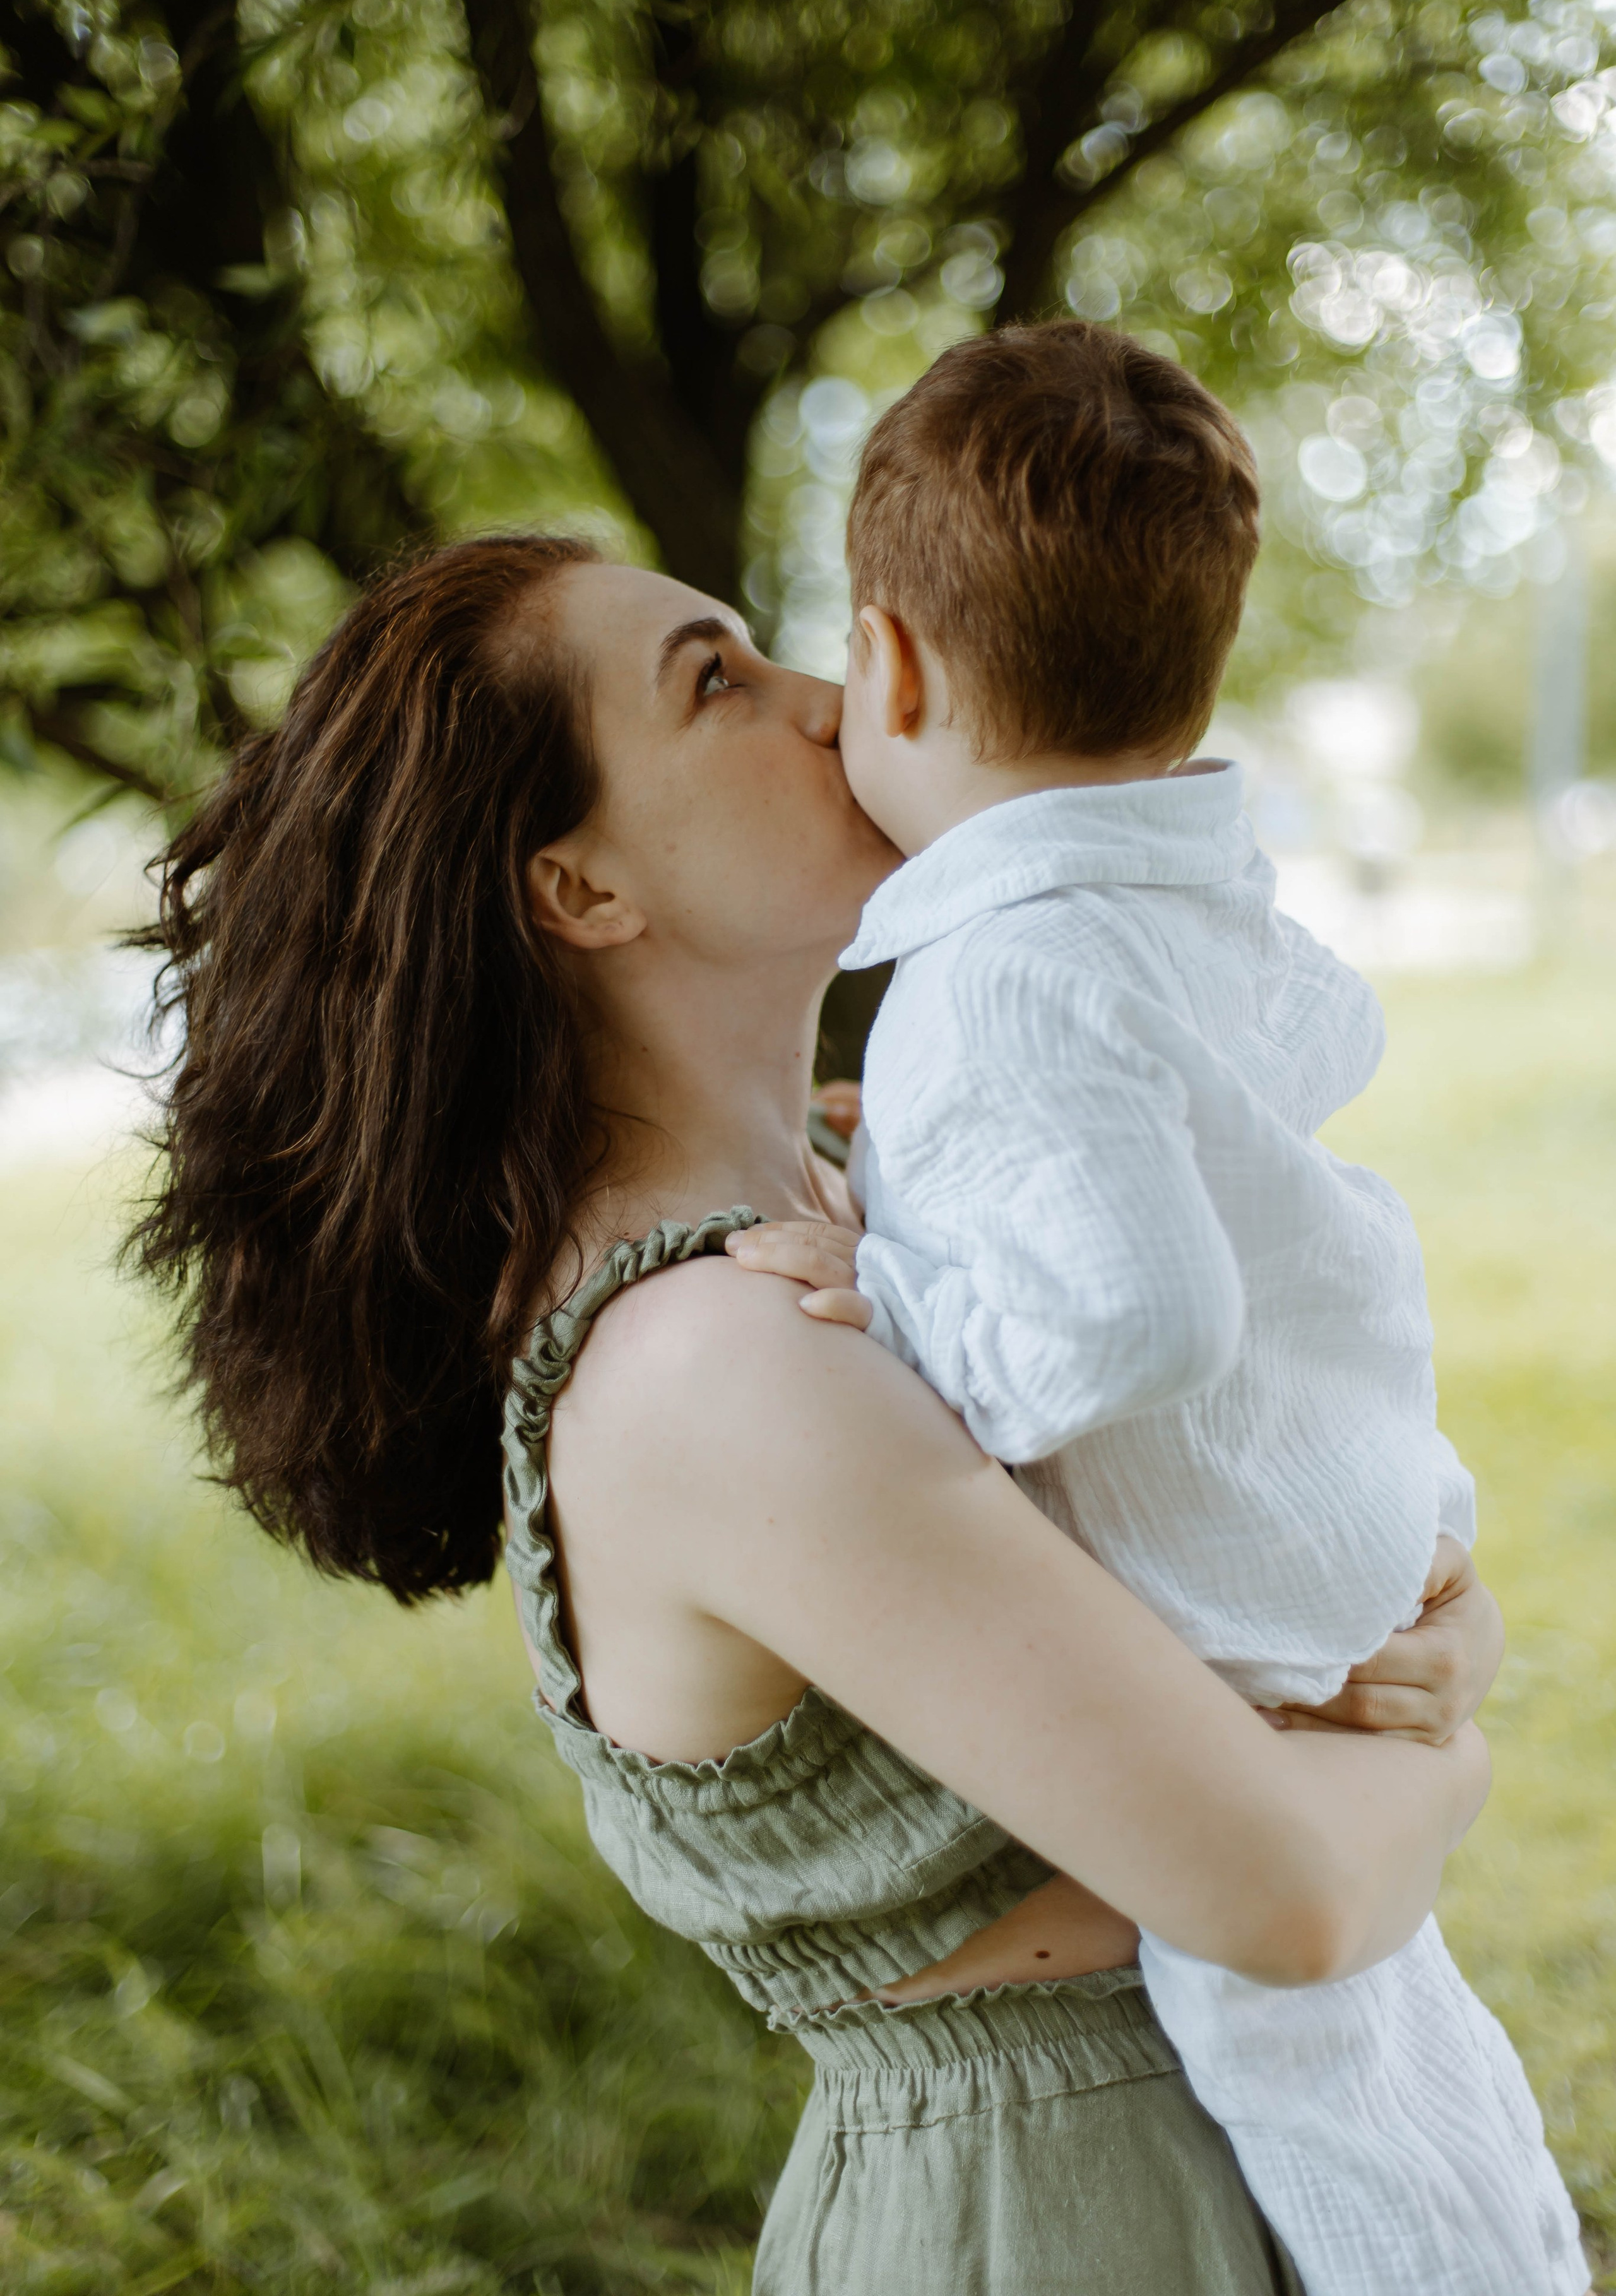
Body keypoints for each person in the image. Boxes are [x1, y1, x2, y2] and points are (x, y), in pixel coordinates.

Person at [134, 532, 1511, 2295]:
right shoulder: (711, 1361)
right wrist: (1445, 1756)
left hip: (1247, 2151)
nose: (833, 697)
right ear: (580, 889)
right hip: (1077, 2223)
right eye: (716, 681)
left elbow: (1291, 1474)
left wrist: (1434, 1634)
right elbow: (1293, 1898)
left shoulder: (879, 1204)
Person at [729, 324, 1586, 2296]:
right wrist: (940, 1167)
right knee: (1406, 2057)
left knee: (1320, 2084)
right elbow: (1290, 1051)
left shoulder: (996, 974)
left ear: (896, 668)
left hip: (1245, 1606)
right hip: (1344, 1518)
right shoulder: (1174, 906)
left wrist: (902, 1284)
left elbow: (1131, 1325)